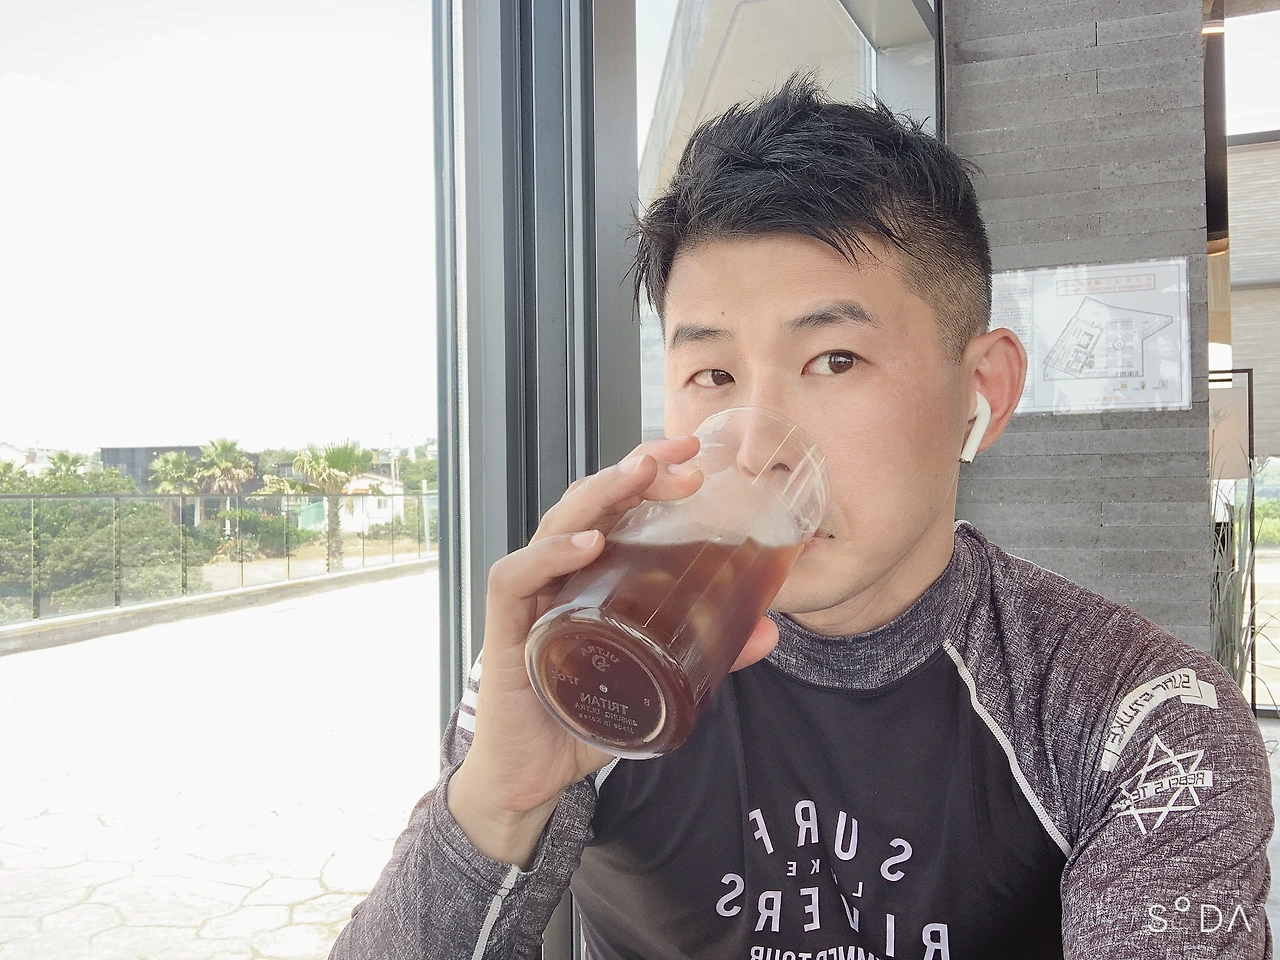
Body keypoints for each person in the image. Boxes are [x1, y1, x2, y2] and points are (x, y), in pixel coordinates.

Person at [330, 74, 1273, 959]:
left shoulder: (1137, 716)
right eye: (713, 374)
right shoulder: (594, 656)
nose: (757, 444)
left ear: (981, 391)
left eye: (834, 360)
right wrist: (498, 802)